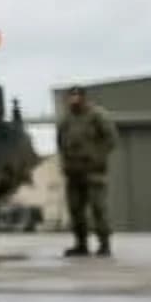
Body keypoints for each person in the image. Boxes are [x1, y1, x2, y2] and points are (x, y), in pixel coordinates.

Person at [56, 86, 117, 257]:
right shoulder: (66, 119)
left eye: (76, 96)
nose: (73, 99)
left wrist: (98, 158)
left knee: (98, 208)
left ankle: (104, 244)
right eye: (70, 96)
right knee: (75, 209)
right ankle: (81, 244)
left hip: (93, 171)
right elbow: (60, 142)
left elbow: (111, 139)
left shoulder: (97, 115)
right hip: (73, 171)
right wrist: (65, 163)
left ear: (83, 97)